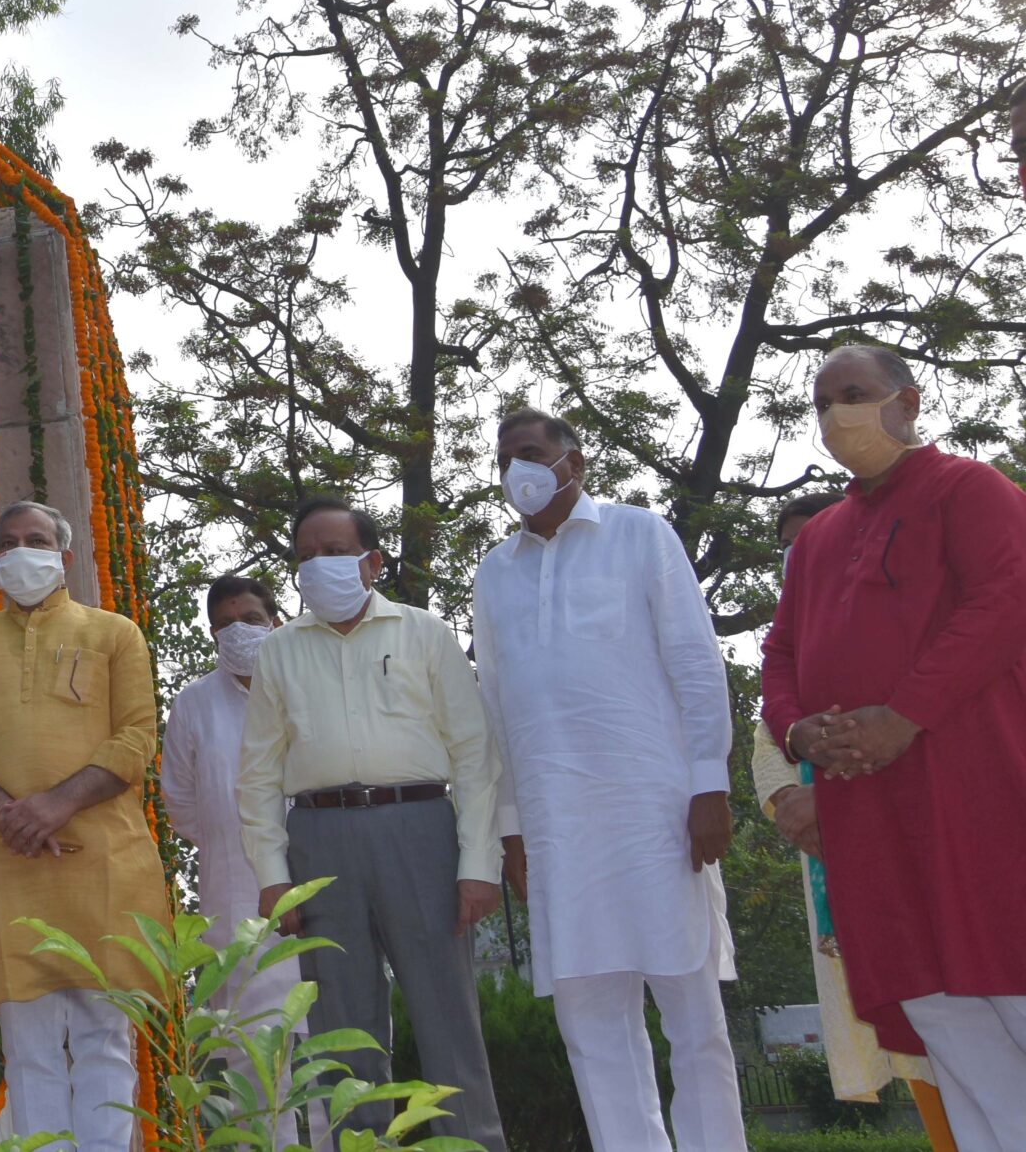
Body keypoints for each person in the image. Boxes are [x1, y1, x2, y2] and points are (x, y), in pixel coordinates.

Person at [763, 345, 1026, 1148]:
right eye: (823, 402)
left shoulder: (969, 489)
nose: (838, 414)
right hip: (869, 807)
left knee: (1011, 987)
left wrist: (904, 715)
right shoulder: (820, 537)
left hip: (974, 786)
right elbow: (780, 655)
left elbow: (1006, 599)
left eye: (855, 394)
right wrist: (797, 726)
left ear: (907, 404)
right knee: (940, 1015)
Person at [474, 409, 745, 1152]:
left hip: (656, 811)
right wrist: (512, 829)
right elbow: (494, 707)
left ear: (575, 461)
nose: (515, 471)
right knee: (590, 1021)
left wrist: (707, 785)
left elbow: (694, 661)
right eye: (504, 460)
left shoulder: (640, 534)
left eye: (529, 453)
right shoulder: (493, 572)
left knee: (693, 1017)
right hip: (557, 826)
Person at [236, 499, 508, 1151]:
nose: (317, 566)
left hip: (421, 832)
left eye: (333, 551)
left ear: (373, 560)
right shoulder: (278, 652)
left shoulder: (424, 633)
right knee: (341, 1028)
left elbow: (474, 753)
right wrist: (275, 878)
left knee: (449, 1020)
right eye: (305, 556)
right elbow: (258, 776)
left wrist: (478, 863)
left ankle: (473, 1143)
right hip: (320, 840)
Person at [0, 499, 167, 1152]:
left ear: (64, 556)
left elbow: (136, 738)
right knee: (27, 1043)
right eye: (7, 543)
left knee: (104, 1036)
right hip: (8, 865)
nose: (19, 551)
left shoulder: (114, 634)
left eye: (35, 540)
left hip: (101, 860)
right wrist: (12, 816)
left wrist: (54, 805)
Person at [748, 494, 956, 1150]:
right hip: (845, 867)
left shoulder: (918, 612)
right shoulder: (796, 644)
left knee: (966, 1012)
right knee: (916, 1035)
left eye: (814, 539)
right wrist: (791, 803)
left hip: (938, 855)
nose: (802, 556)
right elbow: (771, 737)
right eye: (790, 548)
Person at [162, 573, 305, 1129]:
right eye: (224, 624)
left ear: (276, 620)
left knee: (328, 1046)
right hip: (236, 895)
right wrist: (234, 841)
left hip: (321, 880)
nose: (238, 631)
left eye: (249, 619)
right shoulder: (194, 703)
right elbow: (180, 801)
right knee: (251, 1048)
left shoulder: (308, 683)